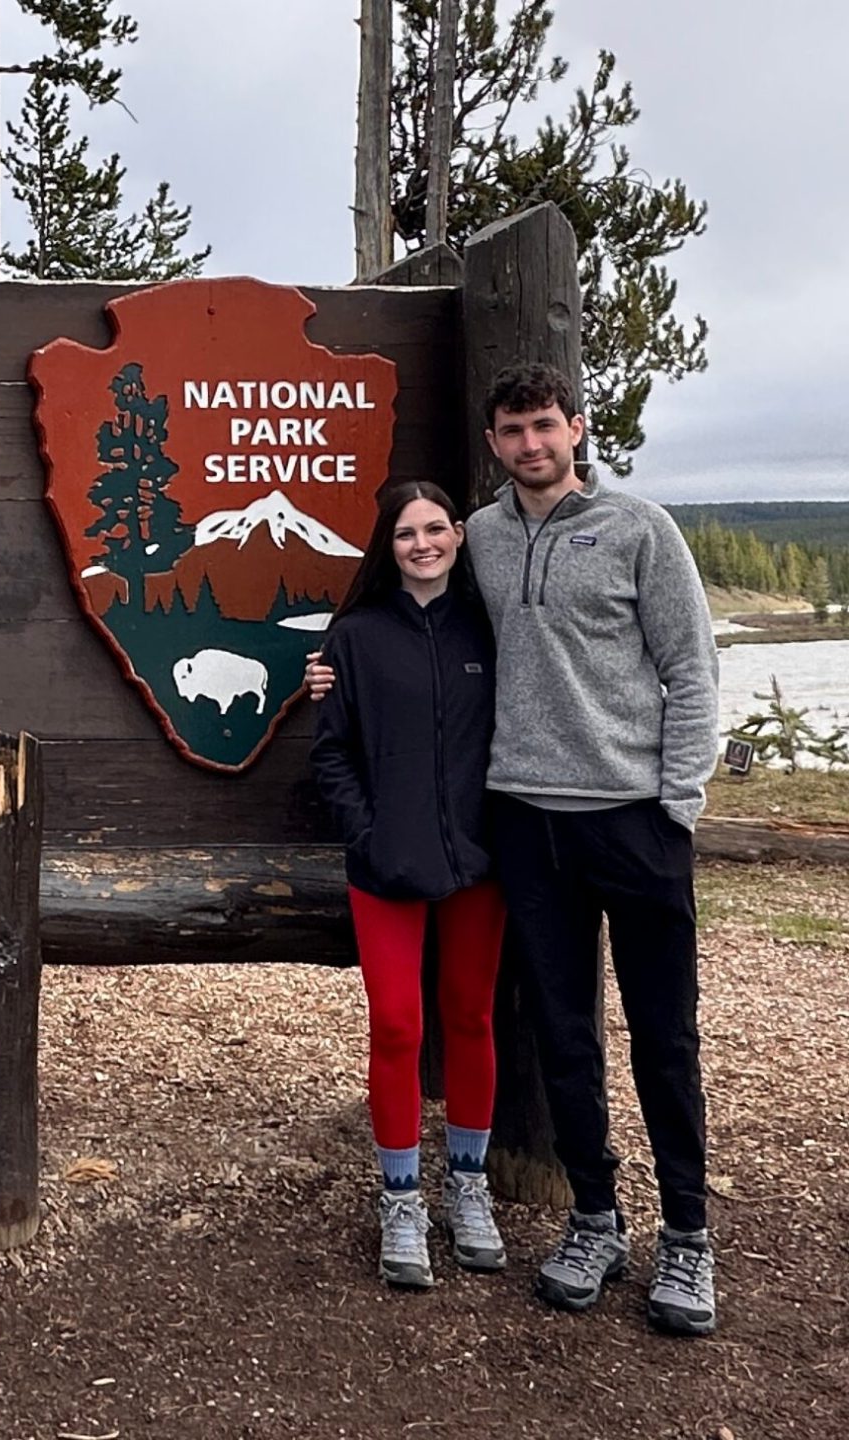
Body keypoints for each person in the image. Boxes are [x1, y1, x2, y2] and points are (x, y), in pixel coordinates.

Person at [306, 363, 720, 1335]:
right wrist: (332, 674)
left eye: (546, 426)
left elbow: (692, 670)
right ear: (492, 444)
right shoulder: (482, 539)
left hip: (633, 819)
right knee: (563, 1035)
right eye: (514, 431)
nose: (532, 444)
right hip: (526, 826)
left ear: (577, 428)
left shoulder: (640, 532)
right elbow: (402, 636)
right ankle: (594, 1218)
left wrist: (679, 803)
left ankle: (691, 1240)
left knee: (665, 1039)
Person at [308, 481, 508, 1290]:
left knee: (470, 1016)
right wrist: (368, 831)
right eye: (404, 534)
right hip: (384, 864)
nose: (421, 544)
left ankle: (468, 1187)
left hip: (478, 863)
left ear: (459, 536)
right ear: (386, 548)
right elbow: (331, 754)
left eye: (434, 529)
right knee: (396, 1025)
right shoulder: (354, 638)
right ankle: (399, 1196)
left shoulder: (491, 628)